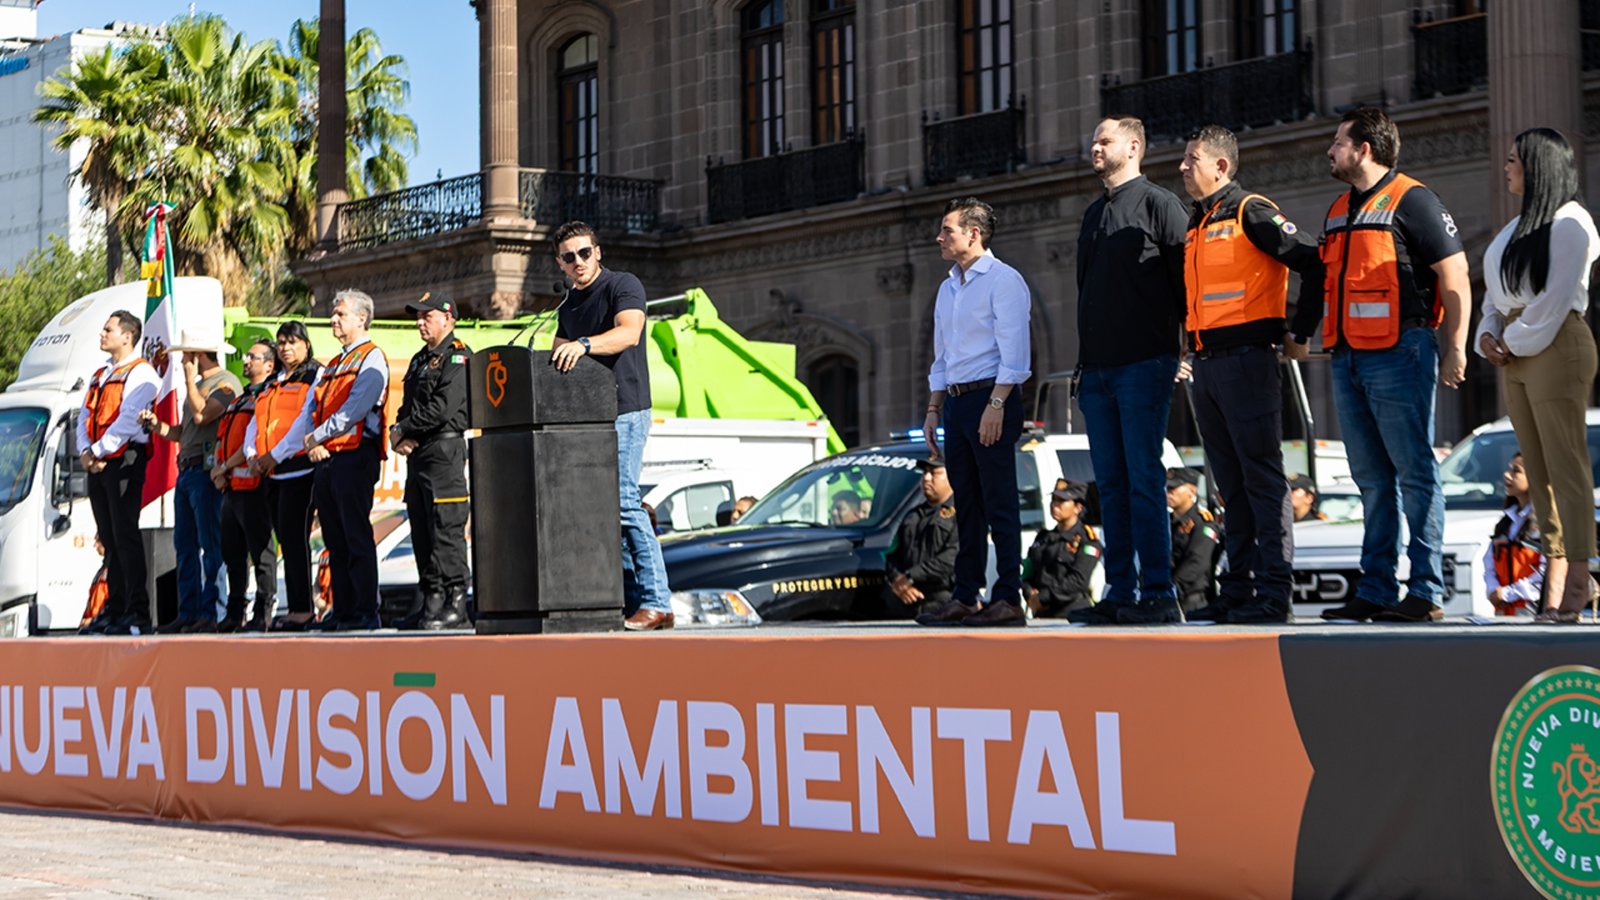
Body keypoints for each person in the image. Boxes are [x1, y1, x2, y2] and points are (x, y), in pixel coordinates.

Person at [1308, 107, 1470, 624]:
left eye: (1338, 143)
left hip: (1401, 352)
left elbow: (1456, 275)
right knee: (1371, 480)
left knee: (1415, 473)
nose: (1330, 151)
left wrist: (1458, 345)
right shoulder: (1337, 209)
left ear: (1364, 149)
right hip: (1348, 356)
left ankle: (1423, 591)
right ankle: (1375, 588)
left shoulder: (1414, 200)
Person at [1178, 124, 1322, 625]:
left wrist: (1299, 332)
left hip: (1248, 361)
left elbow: (1313, 261)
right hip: (1209, 366)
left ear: (1220, 166)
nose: (1182, 167)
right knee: (1230, 485)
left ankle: (1272, 592)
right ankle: (1237, 588)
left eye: (1191, 158)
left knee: (1262, 480)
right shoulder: (1197, 223)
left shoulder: (1250, 210)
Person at [1475, 127, 1600, 625]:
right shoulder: (1515, 229)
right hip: (1517, 347)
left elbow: (1552, 300)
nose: (1506, 167)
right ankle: (1553, 574)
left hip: (1555, 345)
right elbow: (1493, 295)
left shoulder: (1571, 223)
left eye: (1514, 160)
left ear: (1537, 165)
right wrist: (1487, 334)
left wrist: (1511, 341)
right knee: (1539, 472)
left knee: (1565, 465)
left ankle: (1578, 578)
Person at [1070, 116, 1188, 626]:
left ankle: (1158, 592)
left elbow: (1187, 280)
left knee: (1143, 478)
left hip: (1145, 363)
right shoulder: (1093, 213)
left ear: (1134, 146)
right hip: (1097, 372)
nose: (1095, 147)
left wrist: (1185, 348)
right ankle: (1120, 591)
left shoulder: (1161, 205)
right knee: (1110, 485)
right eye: (1093, 140)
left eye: (1105, 140)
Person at [549, 221, 674, 631]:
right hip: (588, 419)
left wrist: (583, 345)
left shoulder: (623, 284)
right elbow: (554, 356)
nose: (578, 262)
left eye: (585, 253)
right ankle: (627, 599)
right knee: (602, 510)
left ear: (598, 252)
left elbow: (629, 333)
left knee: (622, 500)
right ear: (560, 264)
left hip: (626, 409)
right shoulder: (567, 306)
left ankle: (657, 601)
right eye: (569, 257)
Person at [916, 197, 1032, 628]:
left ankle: (1007, 597)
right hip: (958, 402)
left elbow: (1015, 353)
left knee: (999, 500)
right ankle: (965, 595)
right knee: (966, 502)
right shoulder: (948, 288)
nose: (939, 238)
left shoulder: (1004, 281)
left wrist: (997, 404)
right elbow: (942, 356)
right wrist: (934, 408)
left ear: (973, 233)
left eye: (947, 230)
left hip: (992, 396)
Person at [297, 290, 390, 631]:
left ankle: (366, 610)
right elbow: (313, 408)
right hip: (327, 458)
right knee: (334, 540)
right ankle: (344, 609)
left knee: (355, 535)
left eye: (340, 314)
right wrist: (313, 442)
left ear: (361, 318)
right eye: (333, 314)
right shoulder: (333, 364)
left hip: (354, 456)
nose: (333, 320)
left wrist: (318, 436)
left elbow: (356, 408)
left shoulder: (371, 357)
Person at [140, 332, 240, 633]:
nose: (182, 361)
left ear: (198, 356)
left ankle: (212, 613)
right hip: (187, 470)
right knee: (184, 547)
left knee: (211, 547)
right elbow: (184, 432)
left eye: (186, 355)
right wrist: (157, 426)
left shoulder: (227, 383)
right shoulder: (198, 386)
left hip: (205, 473)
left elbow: (202, 416)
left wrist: (187, 379)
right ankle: (190, 612)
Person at [391, 291, 473, 630]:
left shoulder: (458, 357)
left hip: (444, 452)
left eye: (427, 315)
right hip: (419, 455)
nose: (419, 322)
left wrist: (404, 427)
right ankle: (431, 602)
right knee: (422, 531)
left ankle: (456, 603)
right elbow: (407, 406)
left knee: (446, 530)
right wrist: (398, 432)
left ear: (447, 318)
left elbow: (442, 408)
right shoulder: (418, 360)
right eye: (418, 316)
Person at [232, 321, 321, 631]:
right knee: (285, 539)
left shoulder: (314, 375)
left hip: (298, 468)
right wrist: (254, 455)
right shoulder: (273, 382)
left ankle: (303, 610)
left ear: (306, 345)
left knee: (297, 540)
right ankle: (295, 606)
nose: (286, 347)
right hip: (272, 471)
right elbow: (255, 423)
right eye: (281, 342)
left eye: (292, 341)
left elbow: (304, 423)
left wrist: (274, 455)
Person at [77, 311, 159, 635]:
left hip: (123, 459)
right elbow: (85, 414)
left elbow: (128, 421)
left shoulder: (142, 374)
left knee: (126, 533)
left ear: (127, 336)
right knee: (108, 537)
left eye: (108, 328)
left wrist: (97, 451)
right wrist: (86, 451)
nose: (102, 333)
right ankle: (115, 606)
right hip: (98, 461)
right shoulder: (99, 374)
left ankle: (136, 611)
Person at [210, 339, 278, 632]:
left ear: (269, 365)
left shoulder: (267, 395)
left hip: (253, 485)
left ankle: (263, 611)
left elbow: (252, 440)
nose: (247, 360)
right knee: (232, 552)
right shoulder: (239, 398)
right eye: (247, 355)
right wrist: (218, 468)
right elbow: (223, 436)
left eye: (254, 356)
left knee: (260, 551)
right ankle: (235, 611)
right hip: (230, 486)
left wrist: (226, 466)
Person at [883, 461, 958, 618]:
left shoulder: (963, 513)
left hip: (945, 600)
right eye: (924, 473)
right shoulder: (912, 515)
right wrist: (898, 580)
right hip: (907, 600)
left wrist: (911, 576)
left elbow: (952, 558)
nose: (926, 478)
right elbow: (892, 553)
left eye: (934, 473)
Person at [1023, 480, 1103, 617]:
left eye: (1062, 501)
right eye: (1054, 500)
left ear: (1078, 508)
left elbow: (1078, 581)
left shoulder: (1088, 541)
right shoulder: (1042, 538)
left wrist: (1043, 597)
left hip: (1072, 615)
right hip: (1041, 615)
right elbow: (1027, 573)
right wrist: (1029, 593)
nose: (1055, 505)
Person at [1483, 453, 1544, 618]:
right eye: (1509, 469)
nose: (1506, 475)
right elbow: (1489, 563)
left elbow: (1545, 573)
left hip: (1533, 615)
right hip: (1504, 615)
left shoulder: (1544, 523)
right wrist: (1493, 589)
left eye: (1516, 471)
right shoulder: (1506, 522)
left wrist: (1509, 593)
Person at [1167, 467, 1220, 612]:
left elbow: (1196, 562)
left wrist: (1173, 588)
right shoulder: (1166, 523)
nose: (1168, 492)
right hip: (1169, 599)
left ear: (1192, 490)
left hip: (1192, 602)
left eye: (1174, 488)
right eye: (1167, 488)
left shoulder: (1204, 523)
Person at [79, 535, 109, 629]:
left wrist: (92, 620)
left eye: (98, 541)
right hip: (96, 623)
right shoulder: (103, 571)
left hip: (101, 625)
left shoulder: (113, 572)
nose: (95, 545)